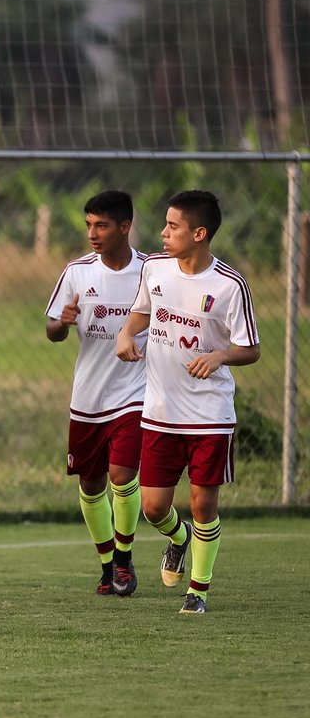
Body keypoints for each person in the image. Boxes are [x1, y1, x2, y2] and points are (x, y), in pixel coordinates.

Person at [116, 190, 259, 614]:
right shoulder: (155, 269)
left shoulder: (230, 286)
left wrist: (220, 355)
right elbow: (142, 312)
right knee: (154, 506)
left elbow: (250, 349)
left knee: (202, 504)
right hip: (159, 410)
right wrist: (126, 334)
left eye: (173, 226)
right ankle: (178, 540)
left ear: (199, 233)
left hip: (209, 413)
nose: (162, 233)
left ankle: (198, 591)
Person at [45, 191, 147, 596]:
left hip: (135, 391)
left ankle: (123, 559)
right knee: (90, 484)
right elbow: (52, 331)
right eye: (88, 225)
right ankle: (108, 564)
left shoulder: (151, 272)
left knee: (122, 476)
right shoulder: (76, 272)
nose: (92, 233)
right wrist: (63, 323)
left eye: (101, 225)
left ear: (125, 226)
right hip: (88, 396)